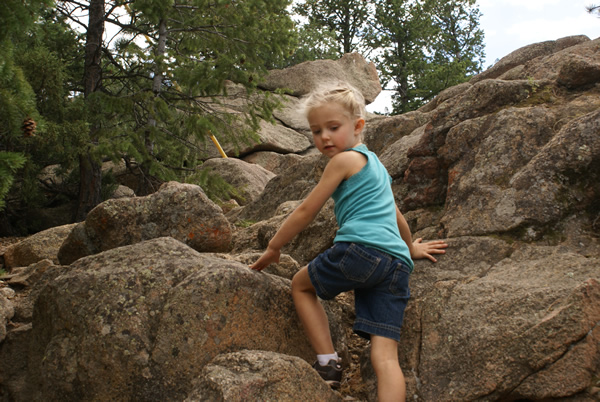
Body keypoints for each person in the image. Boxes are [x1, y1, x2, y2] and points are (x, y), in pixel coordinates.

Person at [249, 82, 447, 401]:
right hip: (397, 266)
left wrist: (275, 246)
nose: (324, 137)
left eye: (333, 127)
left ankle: (328, 364)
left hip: (361, 252)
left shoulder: (342, 161)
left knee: (301, 286)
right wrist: (411, 248)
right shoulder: (377, 168)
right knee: (385, 357)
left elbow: (305, 211)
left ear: (358, 127)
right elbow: (397, 217)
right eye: (316, 131)